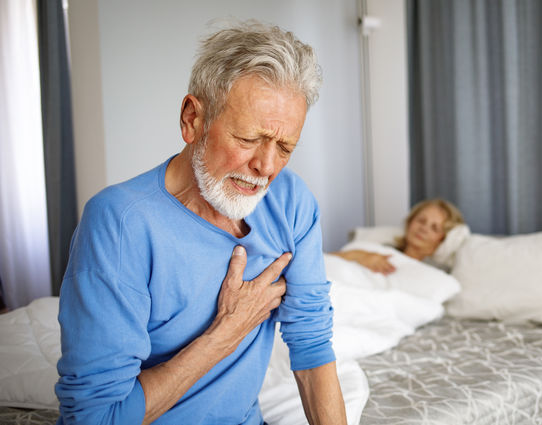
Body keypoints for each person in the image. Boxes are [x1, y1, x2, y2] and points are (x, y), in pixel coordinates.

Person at [55, 21, 346, 425]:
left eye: (284, 147)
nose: (266, 166)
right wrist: (224, 334)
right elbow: (96, 419)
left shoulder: (290, 201)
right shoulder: (120, 223)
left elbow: (312, 345)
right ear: (193, 119)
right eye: (248, 139)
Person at [331, 199, 465, 274]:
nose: (423, 229)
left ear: (443, 238)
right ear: (409, 222)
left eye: (434, 228)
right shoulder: (381, 251)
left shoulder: (438, 272)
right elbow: (323, 263)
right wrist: (357, 256)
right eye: (421, 221)